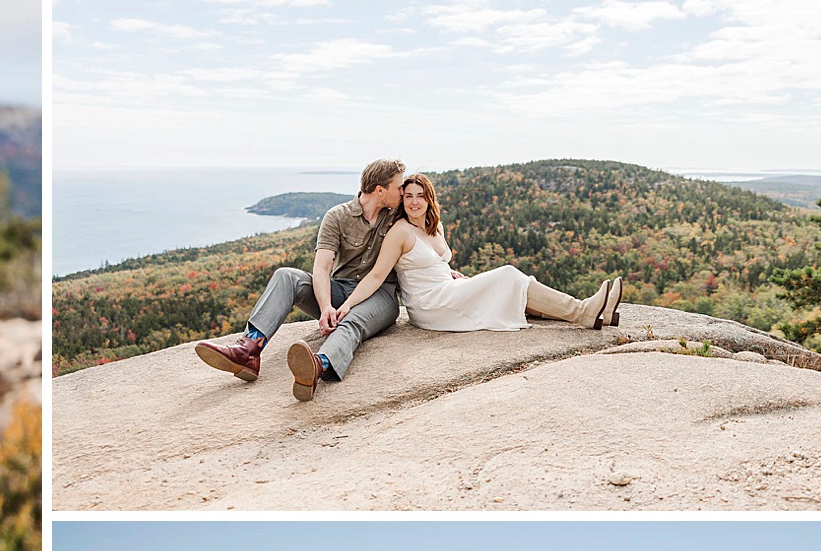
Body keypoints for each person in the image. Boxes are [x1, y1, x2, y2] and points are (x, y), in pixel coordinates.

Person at [195, 158, 407, 401]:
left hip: (380, 296)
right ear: (380, 190)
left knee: (352, 319)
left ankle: (319, 365)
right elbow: (322, 267)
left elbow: (429, 228)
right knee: (286, 276)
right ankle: (249, 351)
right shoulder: (337, 217)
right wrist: (326, 306)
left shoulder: (398, 216)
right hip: (339, 290)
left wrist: (443, 269)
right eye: (399, 186)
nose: (402, 192)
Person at [355, 172, 623, 345]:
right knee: (508, 275)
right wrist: (346, 307)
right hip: (430, 305)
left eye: (420, 196)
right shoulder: (399, 231)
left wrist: (448, 271)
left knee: (516, 285)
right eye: (409, 197)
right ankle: (583, 311)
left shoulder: (436, 226)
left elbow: (431, 262)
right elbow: (377, 275)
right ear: (402, 201)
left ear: (429, 199)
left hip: (447, 289)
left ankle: (603, 315)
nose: (414, 202)